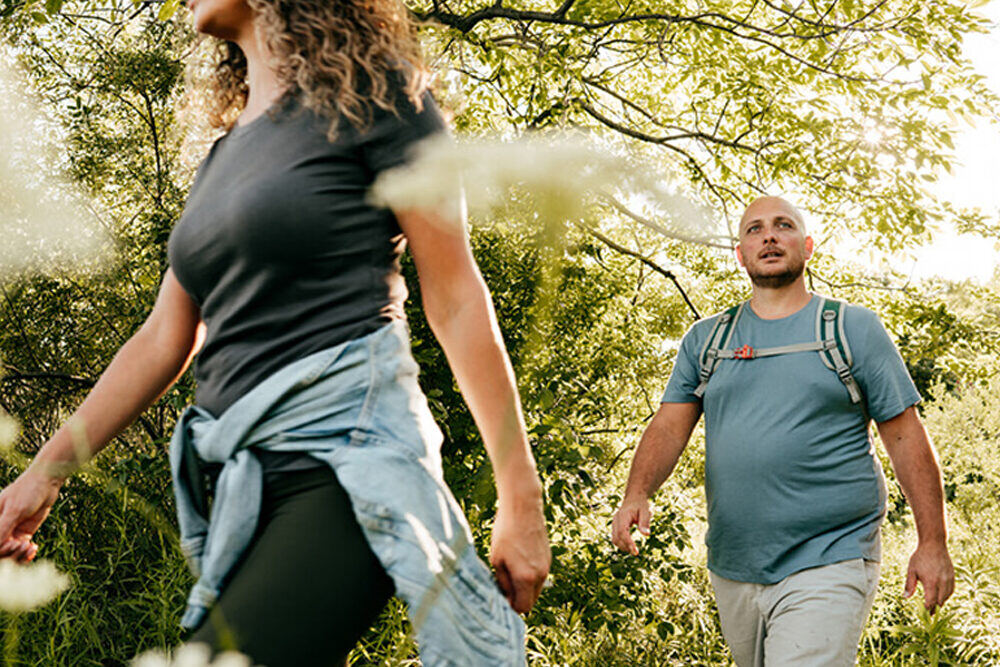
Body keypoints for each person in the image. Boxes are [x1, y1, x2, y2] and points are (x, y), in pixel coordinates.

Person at [0, 0, 550, 665]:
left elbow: (456, 297)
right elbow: (162, 339)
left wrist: (521, 499)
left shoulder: (378, 97)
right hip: (244, 490)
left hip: (346, 467)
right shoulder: (222, 158)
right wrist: (42, 475)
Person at [611, 196, 954, 666]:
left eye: (783, 225)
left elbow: (905, 436)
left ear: (807, 246)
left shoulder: (851, 329)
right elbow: (670, 425)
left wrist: (932, 542)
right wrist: (637, 492)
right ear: (740, 254)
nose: (769, 236)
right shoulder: (707, 340)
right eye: (754, 229)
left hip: (831, 555)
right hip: (733, 564)